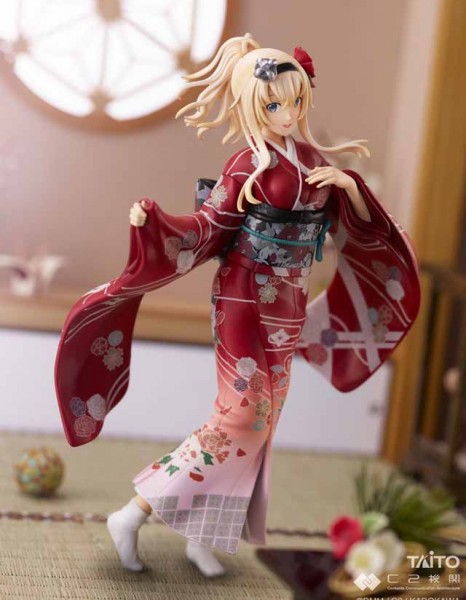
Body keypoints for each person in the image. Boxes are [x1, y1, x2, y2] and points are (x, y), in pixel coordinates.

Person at [55, 34, 420, 578]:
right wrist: (154, 224)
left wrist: (348, 185)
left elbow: (362, 229)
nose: (287, 114)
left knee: (261, 425)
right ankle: (133, 513)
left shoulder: (313, 160)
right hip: (244, 296)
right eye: (273, 105)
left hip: (290, 301)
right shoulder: (246, 163)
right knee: (242, 415)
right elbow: (207, 227)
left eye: (295, 101)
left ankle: (205, 535)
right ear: (251, 104)